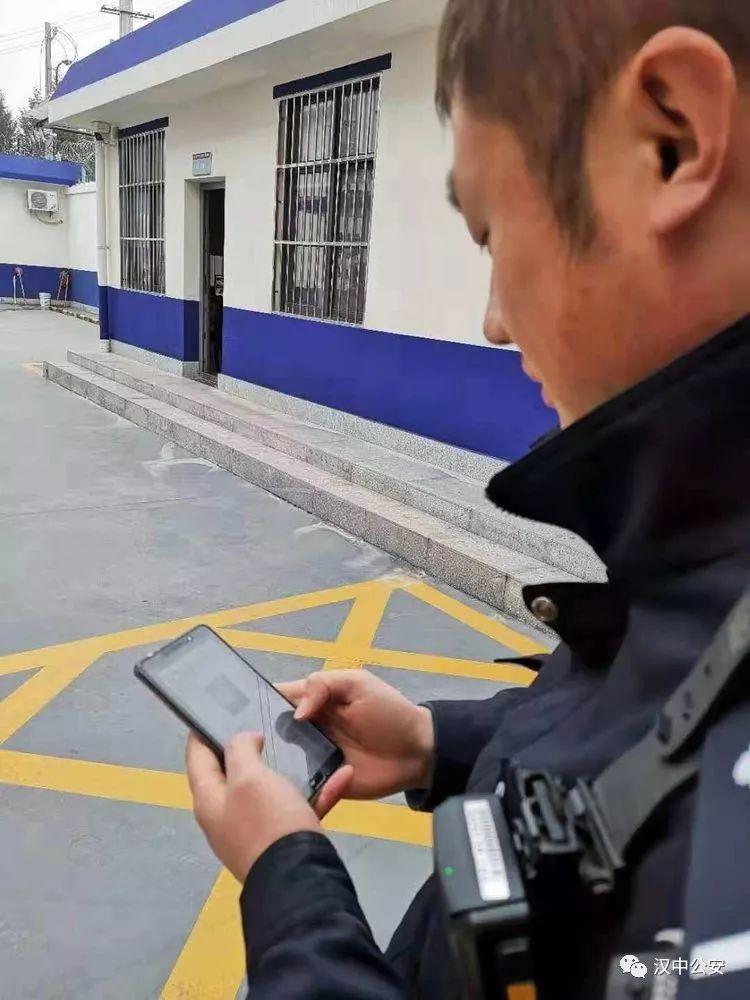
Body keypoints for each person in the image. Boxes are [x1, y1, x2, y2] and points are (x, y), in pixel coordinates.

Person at [185, 1, 750, 996]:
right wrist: (440, 742)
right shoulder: (702, 557)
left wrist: (287, 884)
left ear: (673, 137)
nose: (493, 321)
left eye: (491, 230)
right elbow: (647, 717)